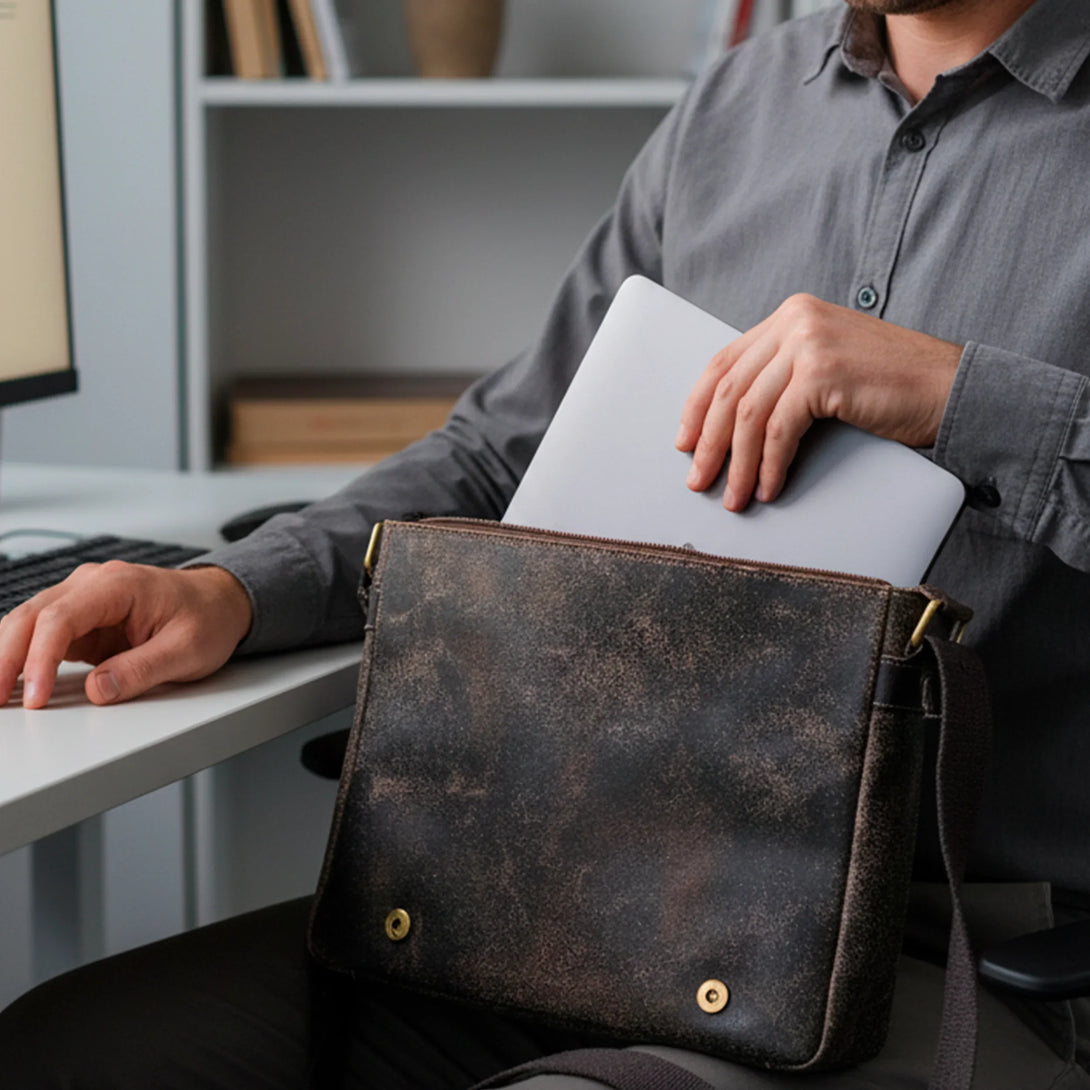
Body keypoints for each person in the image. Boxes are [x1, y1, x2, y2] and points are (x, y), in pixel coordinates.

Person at [2, 0, 1089, 1085]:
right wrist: (233, 591)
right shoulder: (738, 103)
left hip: (952, 955)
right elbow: (500, 455)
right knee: (70, 1050)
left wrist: (960, 397)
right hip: (574, 892)